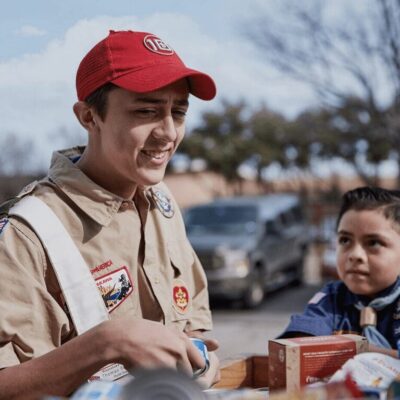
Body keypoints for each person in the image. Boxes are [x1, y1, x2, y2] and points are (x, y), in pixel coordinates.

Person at [0, 29, 220, 399]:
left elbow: (193, 327)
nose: (168, 132)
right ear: (89, 116)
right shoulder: (26, 234)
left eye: (178, 112)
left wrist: (198, 361)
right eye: (146, 111)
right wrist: (107, 342)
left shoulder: (162, 205)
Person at [280, 186, 400, 357]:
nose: (355, 255)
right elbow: (298, 349)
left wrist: (358, 352)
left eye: (373, 242)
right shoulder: (331, 299)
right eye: (345, 240)